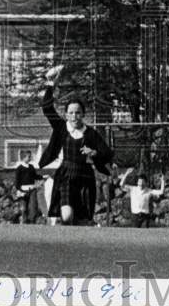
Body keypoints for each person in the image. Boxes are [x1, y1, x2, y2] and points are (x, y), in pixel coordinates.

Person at [37, 65, 114, 226]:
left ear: (83, 114)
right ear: (66, 115)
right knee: (66, 216)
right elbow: (47, 107)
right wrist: (50, 84)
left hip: (85, 177)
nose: (74, 116)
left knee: (82, 219)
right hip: (66, 175)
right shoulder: (61, 127)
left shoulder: (91, 133)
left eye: (78, 112)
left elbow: (107, 153)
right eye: (71, 113)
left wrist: (94, 153)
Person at [13, 149, 42, 225]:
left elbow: (35, 176)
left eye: (30, 156)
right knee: (23, 207)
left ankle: (32, 221)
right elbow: (17, 181)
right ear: (23, 158)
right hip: (23, 190)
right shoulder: (19, 168)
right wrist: (19, 190)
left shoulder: (31, 167)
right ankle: (24, 221)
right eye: (29, 156)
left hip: (32, 189)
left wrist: (43, 176)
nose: (30, 158)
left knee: (33, 205)